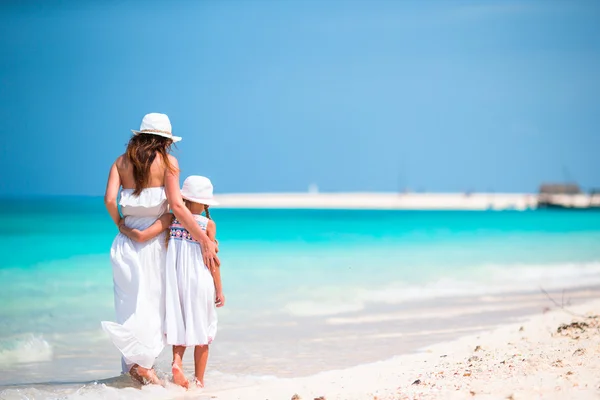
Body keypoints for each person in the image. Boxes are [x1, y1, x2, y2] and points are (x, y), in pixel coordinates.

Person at [100, 113, 220, 385]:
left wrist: (121, 223)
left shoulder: (119, 163)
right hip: (156, 242)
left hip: (125, 243)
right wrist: (202, 239)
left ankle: (136, 368)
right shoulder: (168, 163)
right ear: (165, 140)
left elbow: (109, 199)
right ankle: (145, 367)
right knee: (154, 305)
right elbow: (177, 206)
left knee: (129, 306)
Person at [119, 175, 224, 389]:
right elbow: (213, 263)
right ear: (205, 202)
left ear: (183, 198)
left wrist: (123, 227)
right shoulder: (208, 225)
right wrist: (219, 290)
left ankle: (176, 362)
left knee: (180, 323)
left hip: (176, 282)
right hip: (200, 281)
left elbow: (143, 236)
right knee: (203, 332)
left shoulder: (170, 219)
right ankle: (199, 381)